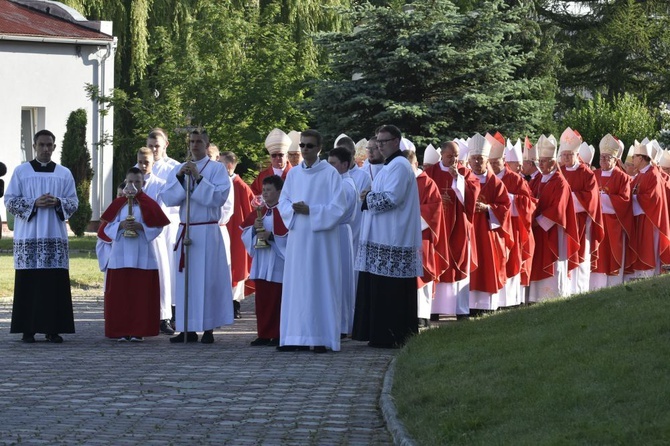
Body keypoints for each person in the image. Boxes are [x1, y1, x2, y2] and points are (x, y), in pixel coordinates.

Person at [5, 129, 78, 343]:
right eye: (41, 145)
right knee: (29, 282)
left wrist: (58, 202)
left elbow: (73, 202)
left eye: (49, 145)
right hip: (29, 236)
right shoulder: (21, 172)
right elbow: (9, 200)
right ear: (34, 146)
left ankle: (53, 329)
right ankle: (27, 329)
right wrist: (34, 203)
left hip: (54, 235)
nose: (45, 149)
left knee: (53, 283)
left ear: (54, 147)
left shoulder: (64, 173)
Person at [352, 125, 423, 348]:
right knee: (381, 288)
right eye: (378, 141)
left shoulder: (400, 166)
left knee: (390, 291)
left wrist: (368, 197)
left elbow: (391, 198)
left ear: (396, 141)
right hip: (383, 236)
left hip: (393, 238)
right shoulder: (389, 165)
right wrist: (371, 195)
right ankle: (381, 335)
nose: (380, 145)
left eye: (384, 141)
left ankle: (391, 335)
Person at [161, 129, 234, 344]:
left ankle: (209, 328)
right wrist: (180, 177)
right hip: (187, 230)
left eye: (199, 141)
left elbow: (218, 198)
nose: (195, 145)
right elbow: (168, 197)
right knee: (187, 281)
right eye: (192, 141)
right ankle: (187, 328)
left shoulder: (217, 169)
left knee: (208, 279)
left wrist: (198, 178)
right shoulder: (178, 168)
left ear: (207, 144)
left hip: (207, 230)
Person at [278, 129, 347, 353]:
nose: (305, 149)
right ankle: (294, 336)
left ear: (319, 149)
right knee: (297, 285)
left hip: (321, 240)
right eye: (303, 146)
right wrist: (293, 210)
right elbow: (283, 201)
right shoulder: (294, 174)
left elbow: (338, 207)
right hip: (299, 237)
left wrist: (312, 211)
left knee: (319, 284)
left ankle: (320, 337)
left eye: (309, 146)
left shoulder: (330, 174)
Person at [99, 167, 170, 341]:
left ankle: (139, 331)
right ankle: (121, 330)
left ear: (143, 184)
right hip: (121, 254)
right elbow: (107, 227)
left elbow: (158, 226)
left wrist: (142, 228)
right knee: (121, 295)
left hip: (142, 254)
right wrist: (120, 226)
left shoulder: (149, 203)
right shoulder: (118, 204)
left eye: (137, 182)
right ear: (125, 183)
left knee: (140, 295)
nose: (133, 185)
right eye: (130, 181)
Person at [423, 140, 480, 320]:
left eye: (456, 156)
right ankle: (434, 310)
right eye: (450, 156)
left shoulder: (464, 172)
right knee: (437, 261)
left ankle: (460, 309)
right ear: (442, 154)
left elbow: (472, 195)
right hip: (438, 226)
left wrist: (458, 179)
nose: (454, 160)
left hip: (459, 228)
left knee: (459, 261)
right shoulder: (430, 173)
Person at [528, 135, 580, 302]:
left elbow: (558, 209)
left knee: (554, 263)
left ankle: (553, 296)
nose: (540, 164)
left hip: (552, 232)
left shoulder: (560, 182)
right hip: (536, 231)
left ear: (553, 162)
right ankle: (535, 297)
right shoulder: (536, 179)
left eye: (544, 161)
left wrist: (537, 221)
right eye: (539, 161)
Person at [468, 133, 513, 313]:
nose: (478, 163)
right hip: (470, 230)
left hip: (488, 233)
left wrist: (487, 207)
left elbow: (505, 206)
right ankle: (469, 305)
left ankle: (486, 306)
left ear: (487, 160)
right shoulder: (463, 180)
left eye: (481, 159)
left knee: (487, 265)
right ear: (469, 161)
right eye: (474, 159)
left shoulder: (495, 183)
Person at [241, 175, 287, 346]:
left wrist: (272, 237)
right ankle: (263, 333)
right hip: (262, 261)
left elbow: (290, 237)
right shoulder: (259, 212)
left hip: (278, 261)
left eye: (269, 190)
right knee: (262, 300)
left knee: (277, 299)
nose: (265, 193)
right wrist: (254, 230)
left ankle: (278, 333)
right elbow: (245, 233)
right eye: (264, 190)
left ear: (279, 192)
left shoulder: (285, 212)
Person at [559, 128, 604, 294]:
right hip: (564, 222)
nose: (565, 158)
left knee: (580, 254)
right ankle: (564, 289)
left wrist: (568, 197)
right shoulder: (560, 171)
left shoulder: (587, 173)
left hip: (580, 223)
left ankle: (580, 290)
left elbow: (591, 199)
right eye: (563, 155)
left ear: (576, 154)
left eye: (568, 155)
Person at [491, 138, 536, 306]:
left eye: (496, 162)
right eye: (491, 162)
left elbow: (529, 203)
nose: (493, 166)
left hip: (513, 228)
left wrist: (508, 198)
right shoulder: (488, 178)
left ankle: (510, 300)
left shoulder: (516, 179)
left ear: (504, 161)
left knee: (510, 260)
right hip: (493, 228)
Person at [407, 150, 447, 327]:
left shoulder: (427, 183)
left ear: (415, 164)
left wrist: (409, 219)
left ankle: (422, 315)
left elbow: (434, 209)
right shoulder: (400, 181)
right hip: (402, 236)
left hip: (421, 236)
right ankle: (407, 313)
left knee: (421, 274)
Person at [137, 146, 175, 335]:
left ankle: (163, 316)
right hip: (135, 238)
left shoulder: (160, 184)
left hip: (154, 236)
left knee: (161, 276)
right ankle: (140, 316)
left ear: (153, 163)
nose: (143, 166)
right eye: (140, 162)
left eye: (147, 162)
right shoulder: (130, 184)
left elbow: (160, 211)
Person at [146, 128, 180, 329]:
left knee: (168, 269)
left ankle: (169, 312)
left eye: (157, 146)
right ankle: (151, 311)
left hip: (169, 224)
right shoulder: (139, 167)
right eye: (150, 146)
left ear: (165, 145)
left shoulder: (174, 167)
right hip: (146, 227)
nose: (153, 150)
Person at [591, 134, 635, 289]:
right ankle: (595, 285)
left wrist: (602, 198)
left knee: (612, 253)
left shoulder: (622, 177)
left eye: (607, 157)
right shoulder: (594, 175)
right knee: (597, 254)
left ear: (615, 160)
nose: (603, 160)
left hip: (614, 223)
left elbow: (624, 200)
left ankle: (614, 285)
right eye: (601, 157)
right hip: (597, 221)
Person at [327, 146, 360, 337]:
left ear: (344, 165)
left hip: (338, 232)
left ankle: (341, 324)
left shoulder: (345, 185)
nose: (330, 168)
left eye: (333, 164)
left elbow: (335, 213)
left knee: (339, 279)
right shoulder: (338, 182)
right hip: (337, 232)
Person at [219, 150, 255, 318]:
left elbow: (251, 211)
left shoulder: (240, 186)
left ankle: (235, 304)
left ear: (228, 166)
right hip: (221, 230)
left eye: (220, 163)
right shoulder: (219, 183)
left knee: (236, 266)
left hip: (236, 233)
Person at [628, 141, 670, 278]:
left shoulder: (653, 174)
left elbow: (653, 198)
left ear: (641, 158)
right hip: (640, 218)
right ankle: (640, 275)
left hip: (650, 220)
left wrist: (634, 198)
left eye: (634, 157)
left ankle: (650, 275)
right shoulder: (640, 174)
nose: (632, 159)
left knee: (648, 248)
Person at [250, 129, 293, 195]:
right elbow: (253, 194)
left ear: (286, 156)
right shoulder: (262, 176)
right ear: (270, 157)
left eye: (281, 155)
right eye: (274, 155)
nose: (277, 158)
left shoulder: (294, 173)